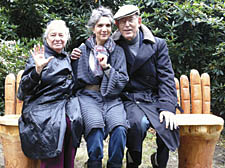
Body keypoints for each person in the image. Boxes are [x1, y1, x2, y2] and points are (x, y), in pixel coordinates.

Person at [112, 5, 180, 168]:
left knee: (168, 123)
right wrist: (77, 52)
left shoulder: (158, 44)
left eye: (130, 20)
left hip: (153, 97)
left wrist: (167, 107)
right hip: (128, 97)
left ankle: (159, 161)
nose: (127, 25)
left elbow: (166, 78)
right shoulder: (112, 45)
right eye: (122, 22)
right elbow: (92, 47)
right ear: (117, 26)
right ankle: (133, 160)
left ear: (139, 21)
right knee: (137, 124)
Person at [17, 20, 82, 168]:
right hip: (41, 106)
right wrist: (37, 70)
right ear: (46, 38)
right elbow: (23, 91)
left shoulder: (66, 56)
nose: (57, 38)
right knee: (55, 128)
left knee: (73, 121)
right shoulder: (39, 57)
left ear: (66, 38)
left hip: (63, 104)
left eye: (61, 35)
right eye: (53, 35)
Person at [71, 6, 129, 168]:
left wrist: (107, 67)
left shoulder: (118, 52)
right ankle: (94, 162)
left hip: (112, 97)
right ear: (93, 28)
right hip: (88, 96)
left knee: (119, 127)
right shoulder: (82, 50)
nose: (104, 29)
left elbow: (123, 79)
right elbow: (73, 76)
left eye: (108, 25)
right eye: (100, 25)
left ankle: (115, 164)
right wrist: (71, 59)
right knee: (94, 126)